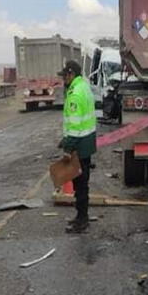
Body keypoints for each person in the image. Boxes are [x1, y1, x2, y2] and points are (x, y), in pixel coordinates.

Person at [58, 60, 97, 233]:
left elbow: (74, 124)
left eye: (64, 76)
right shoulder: (84, 86)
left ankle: (82, 220)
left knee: (80, 185)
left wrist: (68, 148)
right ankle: (82, 217)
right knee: (83, 183)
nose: (63, 80)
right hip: (86, 142)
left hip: (79, 146)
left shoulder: (74, 93)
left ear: (71, 74)